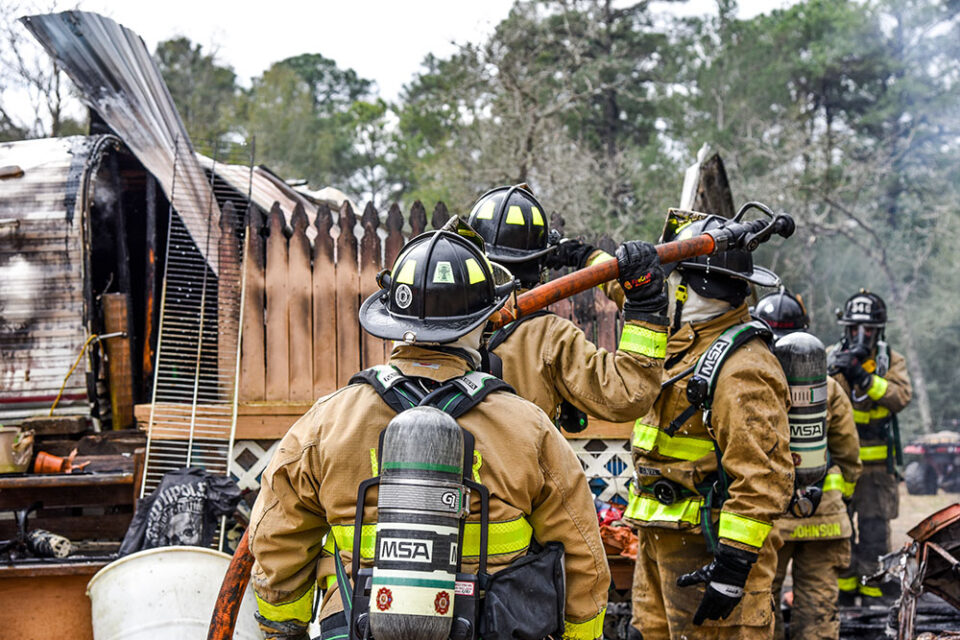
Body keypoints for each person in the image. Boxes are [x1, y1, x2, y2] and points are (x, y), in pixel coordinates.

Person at [248, 222, 625, 640]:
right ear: (481, 322)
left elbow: (276, 537)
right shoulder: (528, 426)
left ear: (391, 320)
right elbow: (582, 554)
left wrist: (284, 629)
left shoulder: (327, 422)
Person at [623, 209, 795, 640]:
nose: (664, 291)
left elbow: (762, 477)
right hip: (662, 544)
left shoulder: (742, 369)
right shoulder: (687, 345)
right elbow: (620, 291)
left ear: (692, 291)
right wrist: (589, 258)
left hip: (710, 555)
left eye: (671, 282)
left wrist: (732, 568)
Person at [467, 184, 668, 431]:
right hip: (524, 456)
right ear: (541, 263)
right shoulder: (549, 336)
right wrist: (646, 308)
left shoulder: (442, 319)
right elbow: (628, 394)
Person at [755, 289, 862, 639]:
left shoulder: (752, 384)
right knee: (817, 605)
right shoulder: (826, 386)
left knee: (761, 600)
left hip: (770, 515)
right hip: (824, 515)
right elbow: (848, 452)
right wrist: (842, 496)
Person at [828, 289, 912, 604]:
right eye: (854, 328)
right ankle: (845, 592)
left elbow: (900, 397)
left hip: (877, 470)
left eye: (868, 330)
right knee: (839, 529)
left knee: (875, 531)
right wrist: (833, 371)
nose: (860, 335)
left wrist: (865, 379)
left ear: (879, 331)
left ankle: (874, 592)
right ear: (845, 329)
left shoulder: (891, 360)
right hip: (839, 465)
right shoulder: (830, 356)